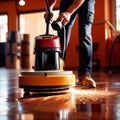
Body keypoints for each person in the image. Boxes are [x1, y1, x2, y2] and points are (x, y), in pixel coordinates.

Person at [44, 0, 96, 88]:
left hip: (86, 1)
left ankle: (85, 74)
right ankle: (57, 69)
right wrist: (49, 10)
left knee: (85, 33)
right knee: (62, 32)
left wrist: (68, 12)